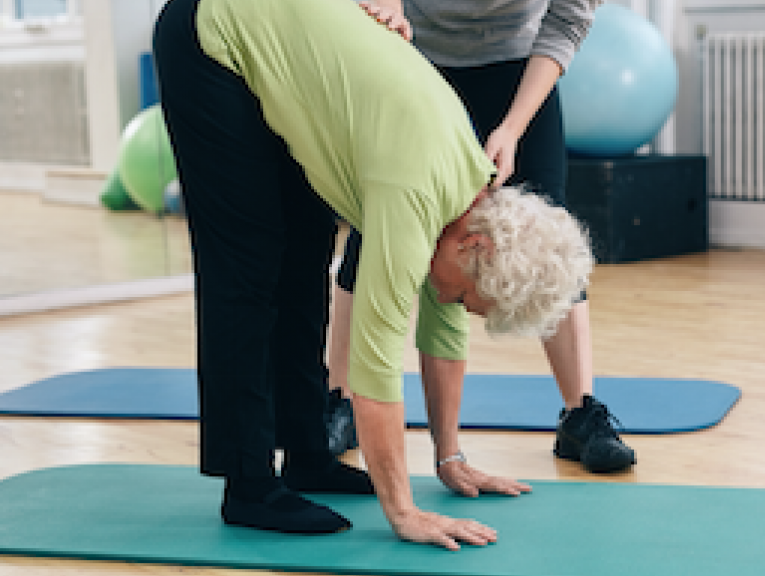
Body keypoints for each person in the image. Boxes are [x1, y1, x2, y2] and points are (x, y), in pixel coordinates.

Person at [153, 0, 593, 548]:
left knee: (305, 253)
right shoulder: (416, 193)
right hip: (212, 36)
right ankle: (249, 483)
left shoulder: (469, 197)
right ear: (475, 245)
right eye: (468, 298)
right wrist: (404, 511)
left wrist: (449, 458)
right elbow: (376, 363)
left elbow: (442, 330)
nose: (454, 305)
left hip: (279, 42)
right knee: (249, 265)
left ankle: (307, 455)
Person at [324, 0, 637, 479]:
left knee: (543, 234)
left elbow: (568, 21)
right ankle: (338, 400)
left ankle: (581, 412)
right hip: (413, 49)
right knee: (374, 230)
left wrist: (512, 128)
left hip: (518, 63)